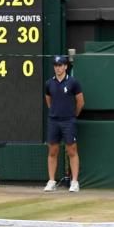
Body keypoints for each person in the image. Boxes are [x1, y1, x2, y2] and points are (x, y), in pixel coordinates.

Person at [44, 56, 84, 193]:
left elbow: (80, 102)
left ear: (66, 67)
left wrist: (73, 115)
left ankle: (74, 182)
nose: (58, 68)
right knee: (52, 151)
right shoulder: (49, 83)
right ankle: (51, 181)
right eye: (56, 65)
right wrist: (55, 112)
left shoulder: (73, 82)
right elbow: (48, 100)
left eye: (61, 65)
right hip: (53, 121)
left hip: (69, 121)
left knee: (71, 150)